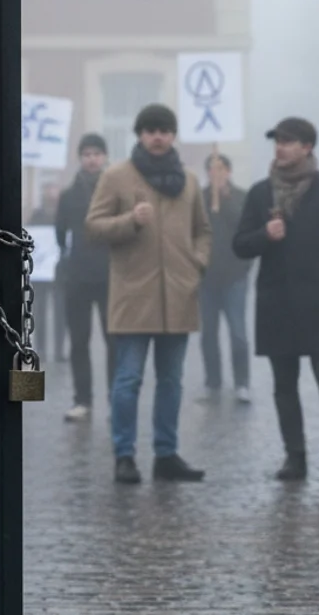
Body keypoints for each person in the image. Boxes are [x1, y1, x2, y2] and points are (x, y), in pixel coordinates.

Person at [86, 104, 210, 484]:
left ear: (173, 135)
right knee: (128, 380)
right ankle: (124, 455)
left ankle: (166, 454)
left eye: (165, 130)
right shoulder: (116, 176)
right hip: (134, 294)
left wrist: (196, 264)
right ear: (140, 134)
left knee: (171, 381)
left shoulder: (189, 180)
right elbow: (94, 226)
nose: (158, 136)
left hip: (178, 293)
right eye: (151, 130)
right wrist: (130, 221)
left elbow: (202, 230)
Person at [232, 117, 319, 483]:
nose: (280, 147)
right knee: (284, 387)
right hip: (277, 303)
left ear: (307, 147)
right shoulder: (261, 193)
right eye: (277, 141)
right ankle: (295, 458)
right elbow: (240, 245)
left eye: (288, 142)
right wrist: (264, 235)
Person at [56, 133, 114, 421]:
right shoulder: (68, 195)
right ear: (80, 158)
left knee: (114, 341)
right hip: (78, 277)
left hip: (110, 276)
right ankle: (82, 399)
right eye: (87, 154)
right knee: (79, 341)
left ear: (104, 157)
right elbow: (60, 234)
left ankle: (116, 399)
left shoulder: (115, 191)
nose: (92, 159)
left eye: (96, 154)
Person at [198, 152, 253, 404]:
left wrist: (225, 199)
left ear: (228, 172)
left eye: (221, 168)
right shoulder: (198, 199)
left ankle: (242, 382)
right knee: (208, 333)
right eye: (212, 169)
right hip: (206, 278)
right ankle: (213, 381)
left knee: (238, 332)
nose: (216, 173)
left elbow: (245, 228)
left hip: (234, 276)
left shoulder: (241, 197)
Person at [29, 182, 68, 363]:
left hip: (60, 271)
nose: (51, 193)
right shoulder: (36, 214)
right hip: (41, 272)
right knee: (40, 311)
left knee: (61, 312)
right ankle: (41, 349)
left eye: (54, 189)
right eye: (48, 189)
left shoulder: (64, 212)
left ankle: (59, 350)